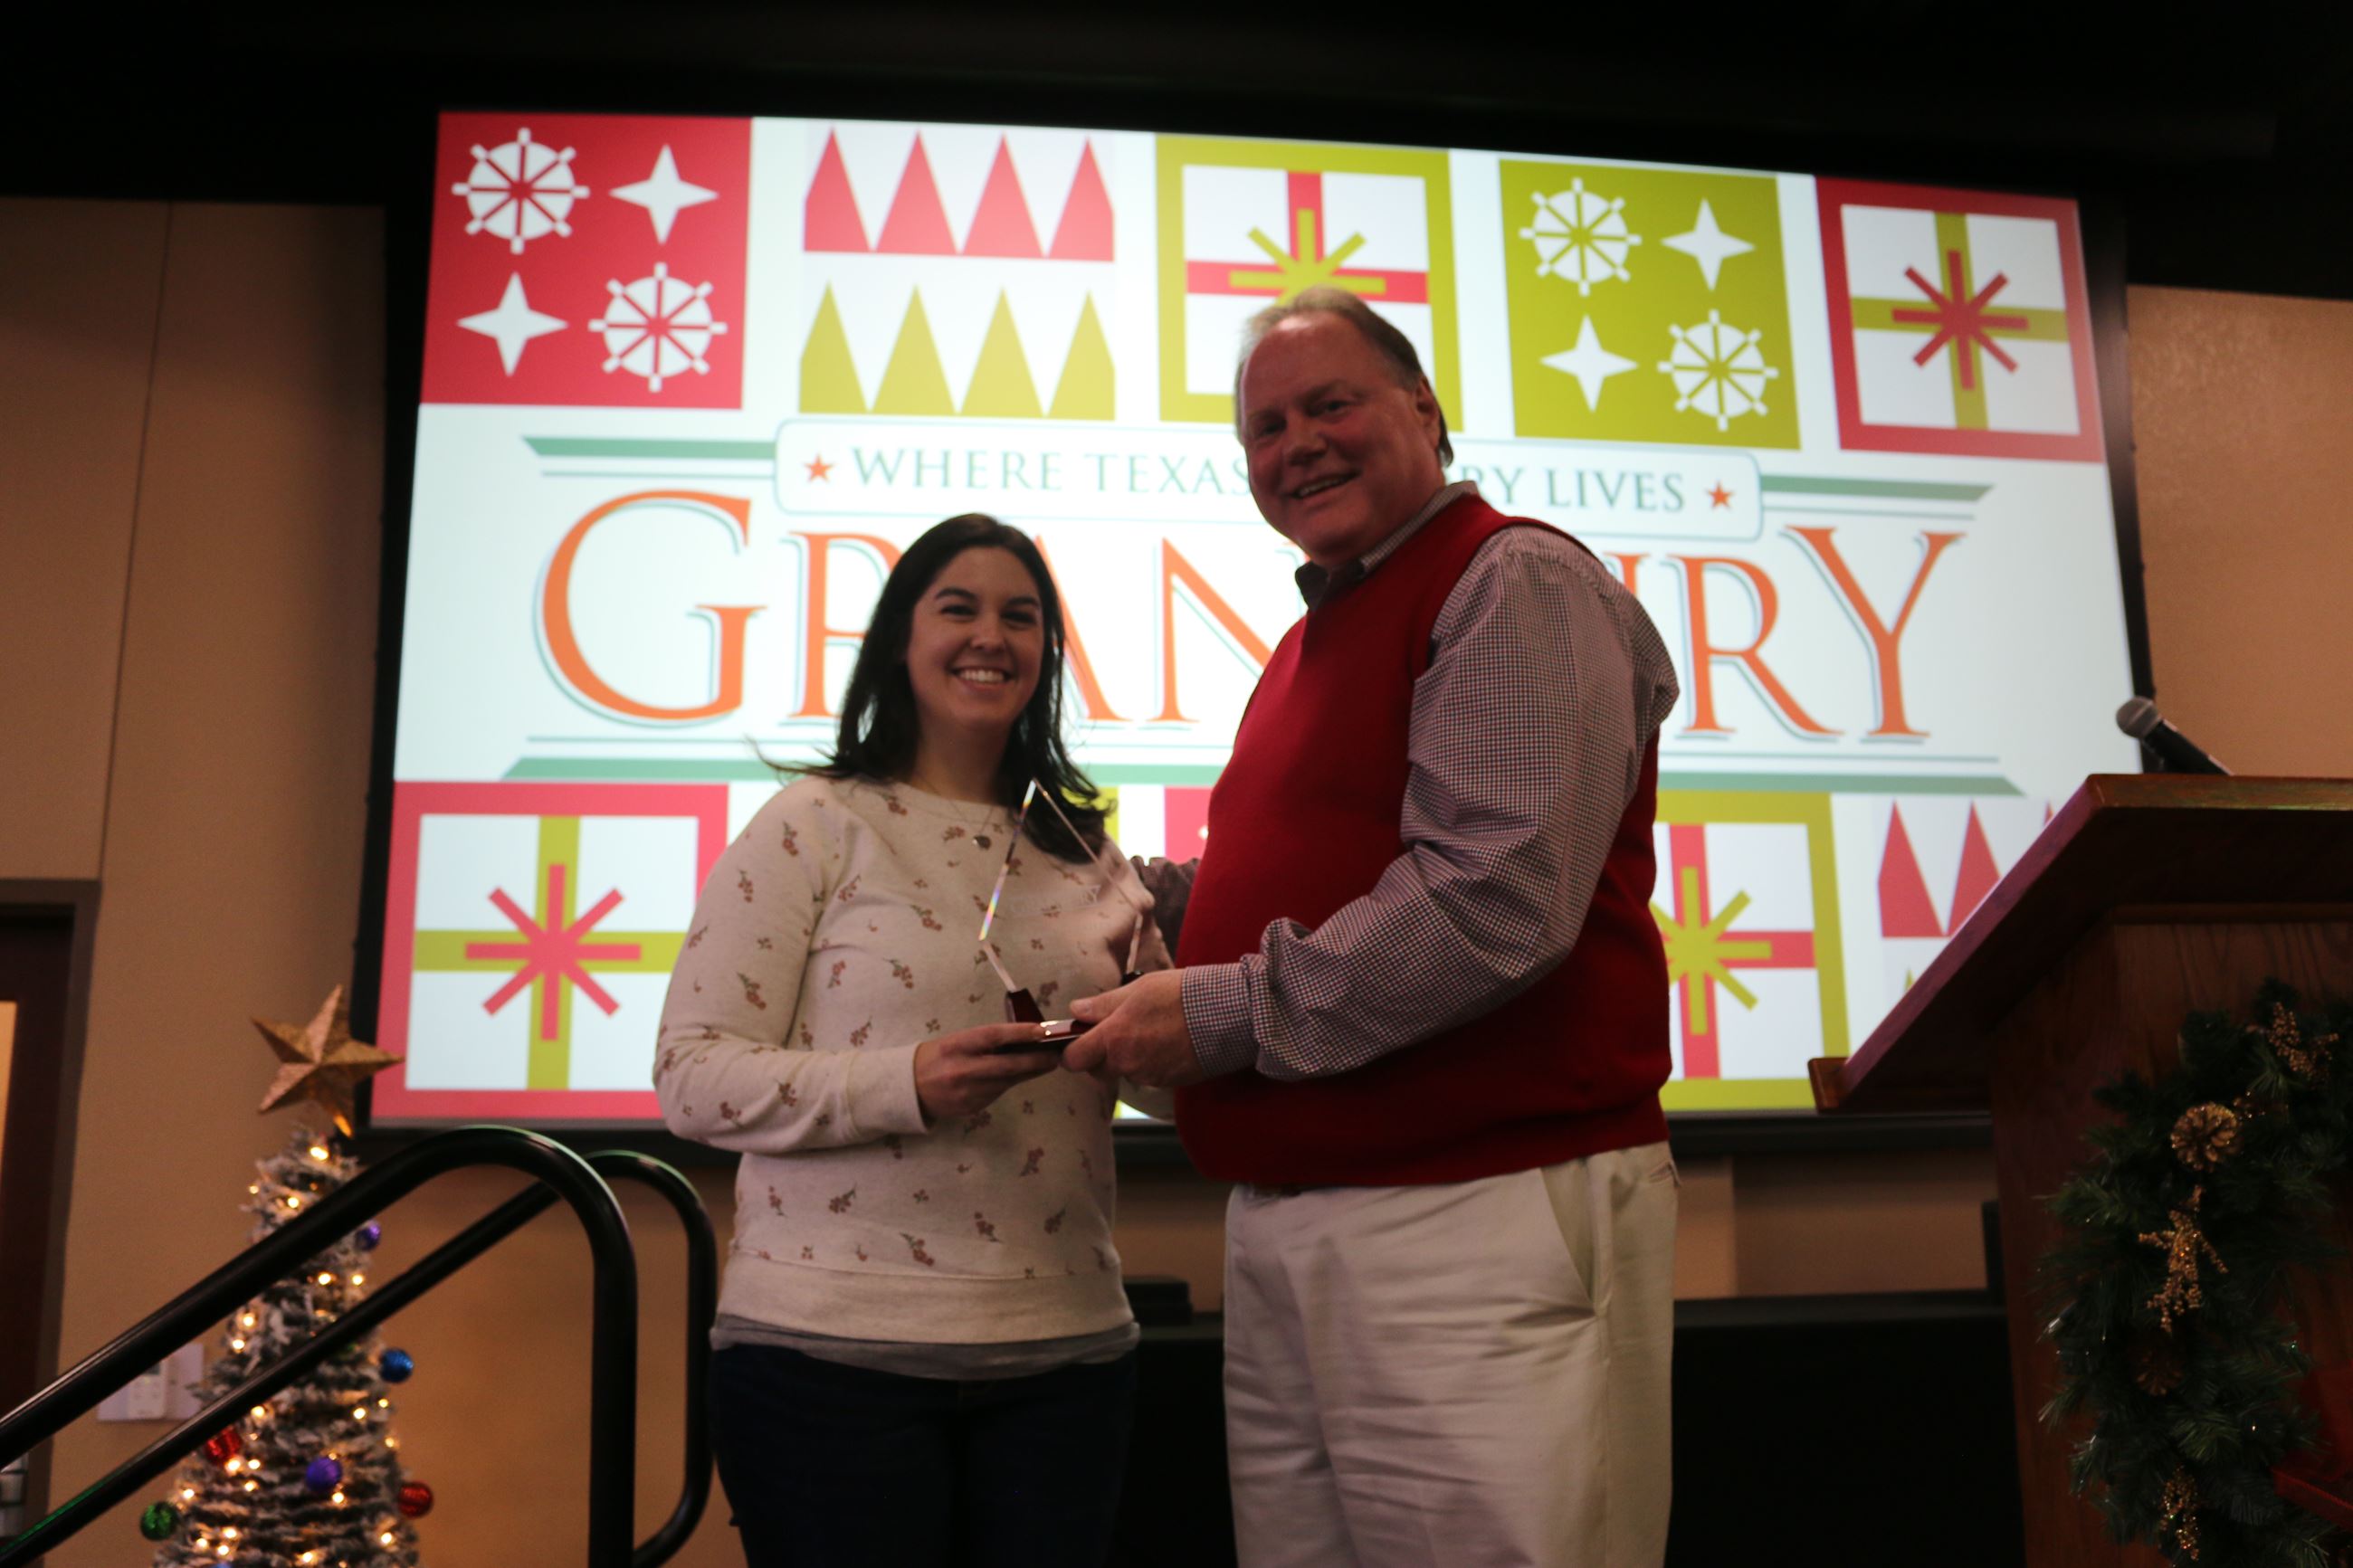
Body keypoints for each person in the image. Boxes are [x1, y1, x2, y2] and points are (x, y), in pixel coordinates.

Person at [1065, 287, 1684, 1568]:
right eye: (1264, 426)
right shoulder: (1308, 640)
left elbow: (1496, 897)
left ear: (1426, 410)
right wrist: (1123, 894)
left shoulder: (1509, 577)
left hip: (1473, 1214)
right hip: (1296, 1220)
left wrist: (1221, 1009)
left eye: (1330, 402)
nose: (1296, 442)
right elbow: (1309, 883)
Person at [655, 514, 1161, 1568]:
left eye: (1020, 616)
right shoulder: (811, 823)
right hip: (827, 1368)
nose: (992, 636)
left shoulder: (1086, 852)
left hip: (1066, 1357)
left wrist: (1158, 1034)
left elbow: (1169, 1094)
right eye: (959, 608)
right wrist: (907, 1081)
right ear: (899, 639)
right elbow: (692, 1075)